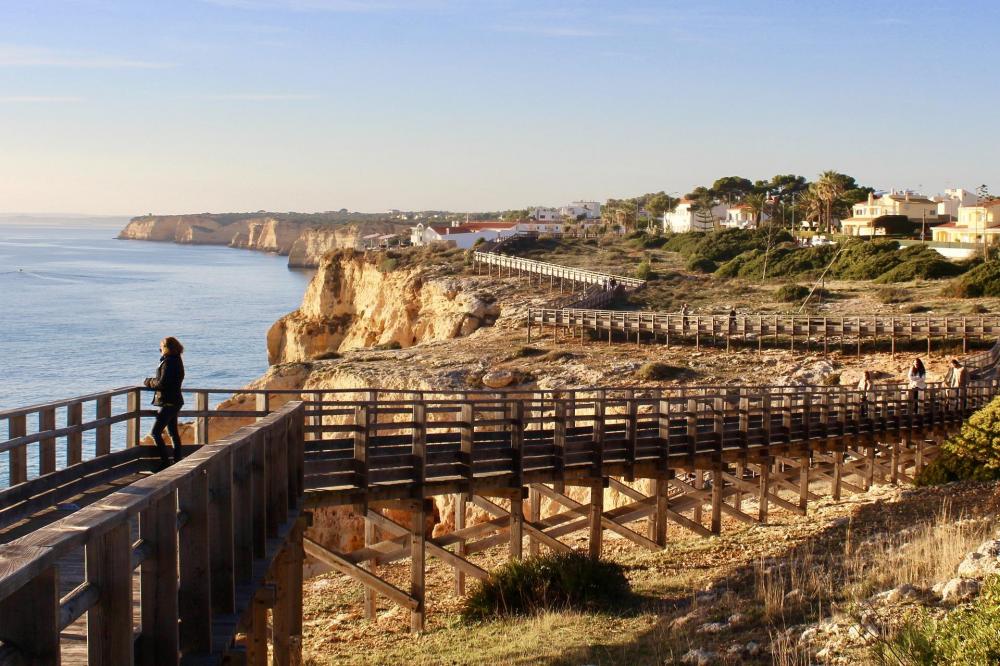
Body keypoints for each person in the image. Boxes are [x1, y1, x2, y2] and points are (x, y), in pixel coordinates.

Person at [145, 337, 185, 465]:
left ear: (166, 348)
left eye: (161, 348)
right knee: (173, 433)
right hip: (175, 401)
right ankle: (177, 461)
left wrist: (149, 382)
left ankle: (165, 463)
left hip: (169, 402)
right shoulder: (177, 360)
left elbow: (162, 383)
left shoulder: (169, 362)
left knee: (155, 432)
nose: (160, 350)